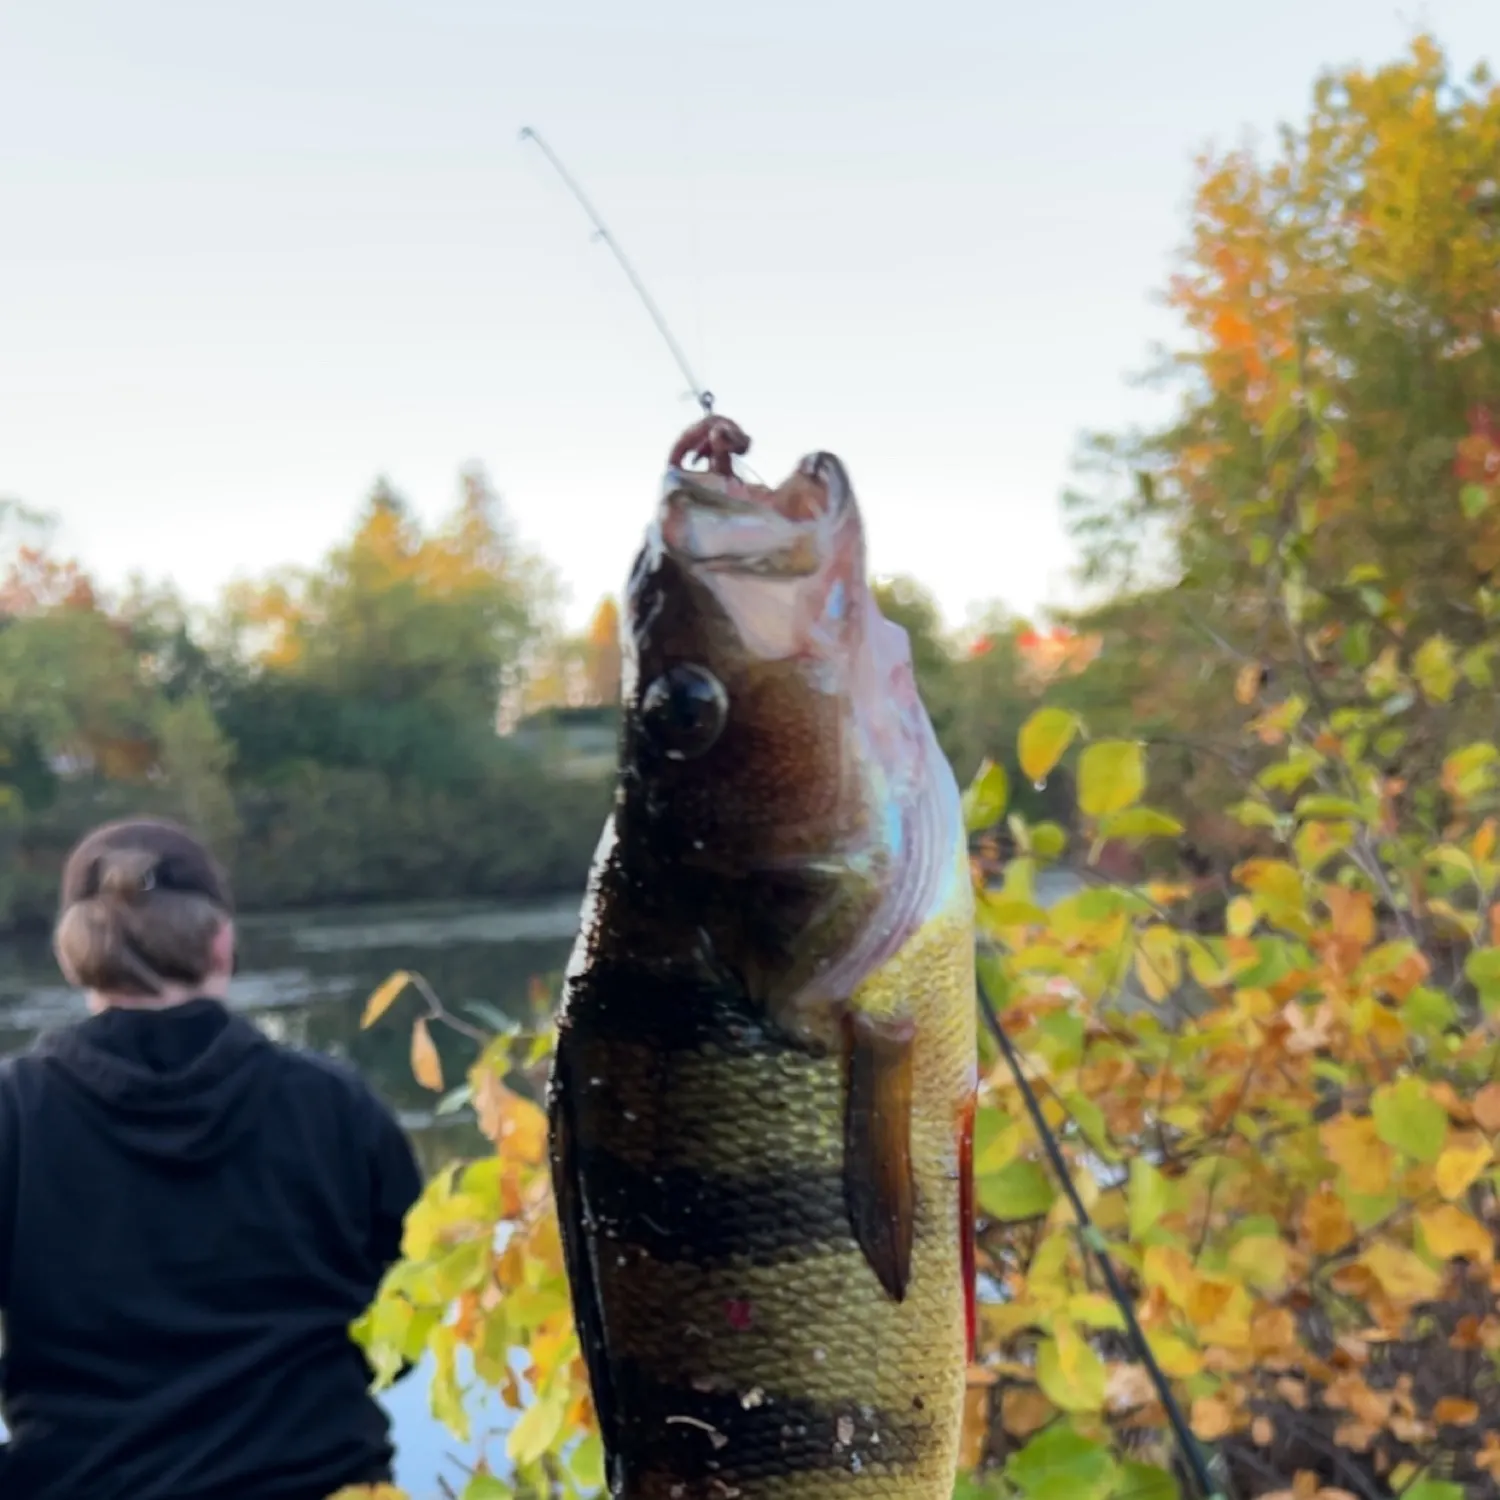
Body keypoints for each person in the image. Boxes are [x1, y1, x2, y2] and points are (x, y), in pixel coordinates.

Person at [0, 817, 424, 1500]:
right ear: (221, 943)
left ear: (70, 954)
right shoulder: (333, 1104)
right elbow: (413, 1321)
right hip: (323, 1483)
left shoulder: (14, 1116)